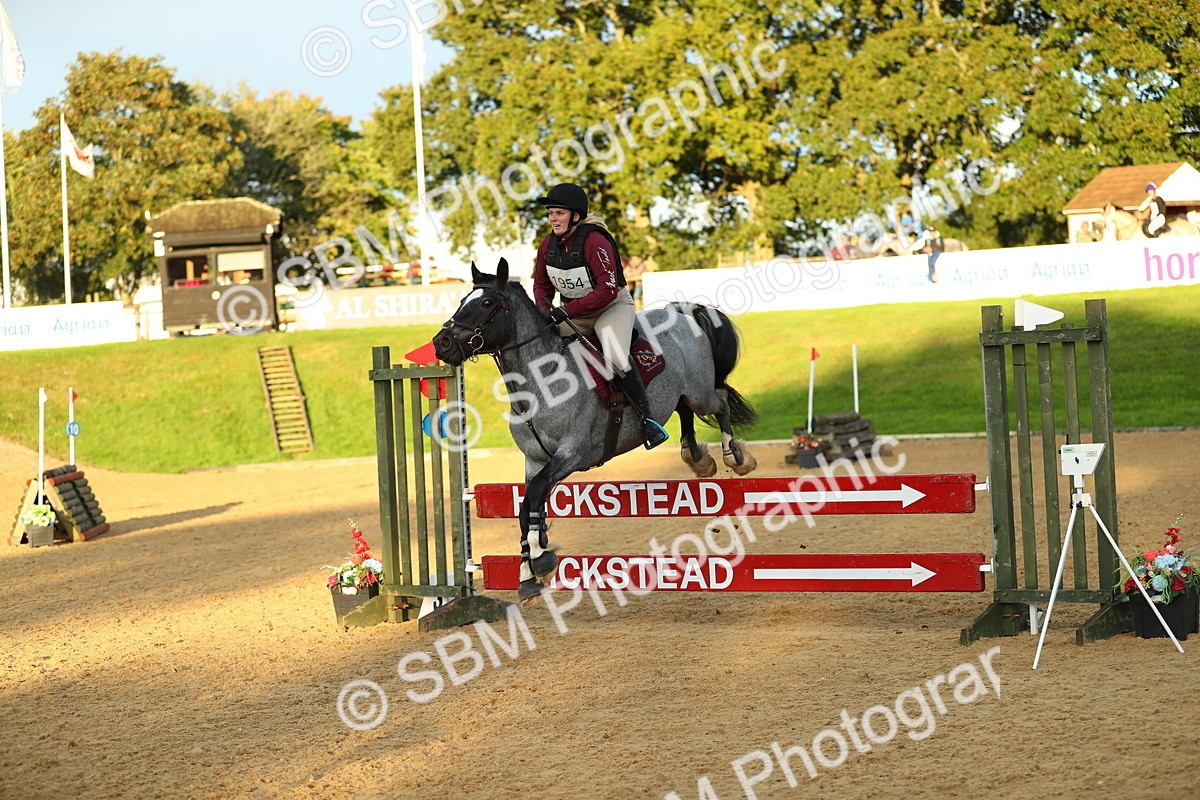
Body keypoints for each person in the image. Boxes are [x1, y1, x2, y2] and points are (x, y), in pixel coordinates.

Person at [533, 182, 669, 449]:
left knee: (616, 354)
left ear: (575, 215)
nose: (553, 218)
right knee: (541, 346)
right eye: (551, 213)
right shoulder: (547, 245)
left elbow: (606, 290)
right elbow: (541, 285)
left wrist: (566, 310)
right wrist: (543, 308)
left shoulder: (595, 240)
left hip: (611, 307)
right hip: (573, 313)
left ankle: (648, 420)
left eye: (559, 213)